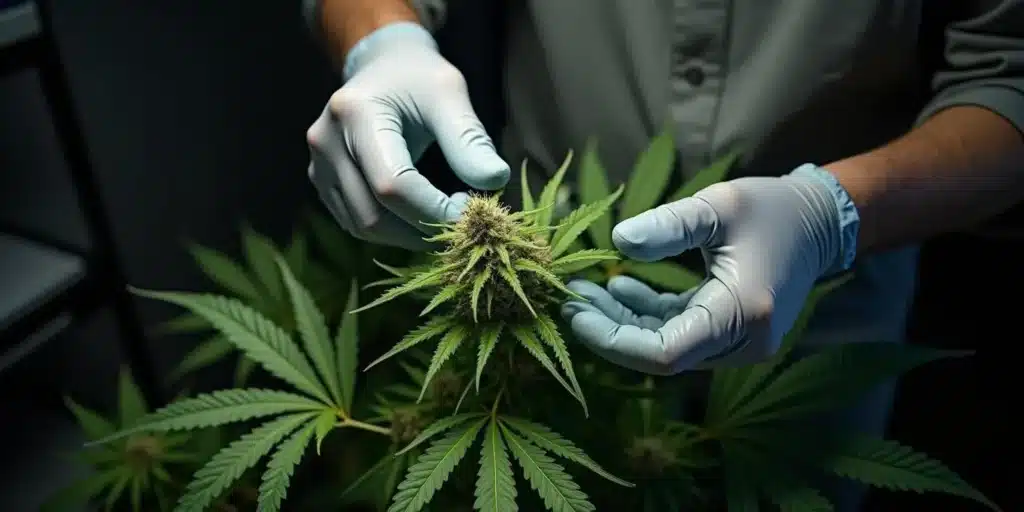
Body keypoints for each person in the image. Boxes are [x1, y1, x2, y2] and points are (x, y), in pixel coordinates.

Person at [302, 0, 1023, 509]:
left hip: (822, 315)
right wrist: (383, 42)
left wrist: (830, 214)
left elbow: (1009, 76)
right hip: (552, 286)